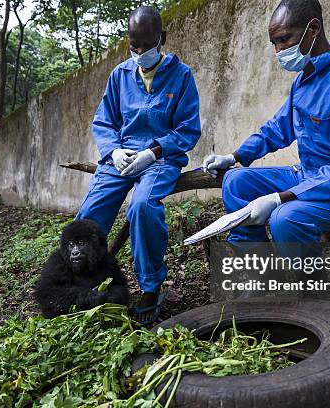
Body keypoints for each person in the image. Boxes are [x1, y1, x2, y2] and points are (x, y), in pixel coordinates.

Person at [202, 0, 330, 257]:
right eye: (274, 44)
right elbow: (277, 129)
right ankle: (258, 268)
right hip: (310, 176)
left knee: (285, 218)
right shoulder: (302, 81)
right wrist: (234, 156)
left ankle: (309, 289)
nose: (279, 51)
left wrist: (280, 197)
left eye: (283, 39)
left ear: (313, 29)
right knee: (236, 181)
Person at [76, 6, 201, 324]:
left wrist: (154, 152)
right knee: (90, 214)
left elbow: (188, 129)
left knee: (143, 206)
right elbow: (104, 122)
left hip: (159, 159)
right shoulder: (119, 76)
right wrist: (113, 150)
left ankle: (150, 288)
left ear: (162, 38)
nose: (140, 51)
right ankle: (81, 283)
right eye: (134, 45)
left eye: (147, 44)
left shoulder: (182, 76)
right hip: (120, 158)